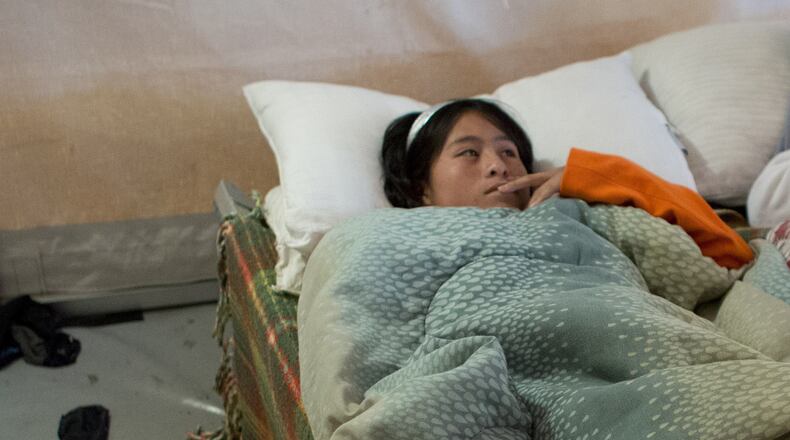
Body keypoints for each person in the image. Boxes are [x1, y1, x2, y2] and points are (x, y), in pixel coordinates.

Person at [381, 98, 753, 269]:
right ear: (421, 188)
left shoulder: (578, 214)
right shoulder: (391, 244)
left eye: (509, 152)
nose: (498, 167)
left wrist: (595, 177)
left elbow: (730, 253)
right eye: (469, 153)